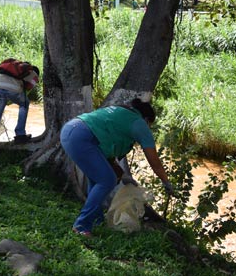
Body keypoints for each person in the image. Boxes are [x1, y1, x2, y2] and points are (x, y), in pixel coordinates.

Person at [60, 98, 174, 237]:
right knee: (107, 181)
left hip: (71, 130)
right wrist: (166, 181)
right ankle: (81, 226)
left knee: (97, 180)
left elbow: (107, 151)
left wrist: (122, 174)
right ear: (147, 120)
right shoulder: (139, 123)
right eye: (150, 125)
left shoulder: (122, 112)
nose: (148, 128)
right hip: (82, 136)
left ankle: (96, 220)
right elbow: (154, 161)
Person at [0, 61, 40, 160]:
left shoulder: (10, 67)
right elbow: (26, 90)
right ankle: (20, 134)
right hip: (13, 89)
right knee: (25, 104)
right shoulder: (33, 74)